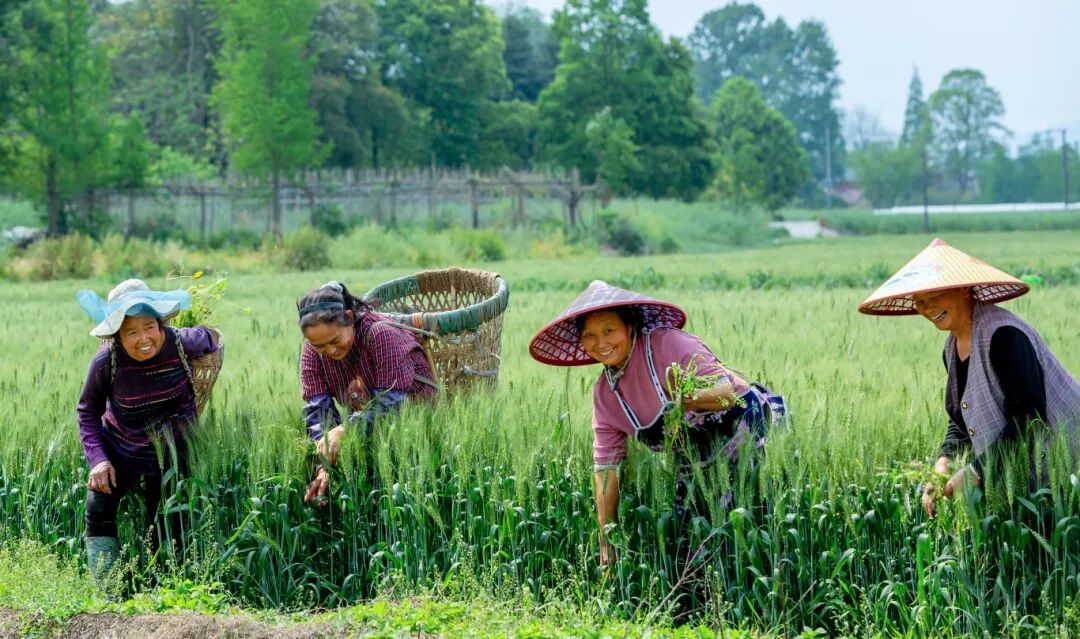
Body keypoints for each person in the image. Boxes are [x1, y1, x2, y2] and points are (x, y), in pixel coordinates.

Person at [529, 280, 787, 565]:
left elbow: (726, 393)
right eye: (589, 335)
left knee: (751, 525)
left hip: (745, 434)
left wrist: (690, 399)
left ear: (630, 327)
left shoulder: (668, 345)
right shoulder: (606, 396)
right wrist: (606, 542)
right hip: (694, 462)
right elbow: (606, 470)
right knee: (691, 546)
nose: (600, 342)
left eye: (609, 330)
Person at [858, 238, 1079, 517]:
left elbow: (1029, 418)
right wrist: (944, 462)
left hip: (1068, 468)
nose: (927, 308)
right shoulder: (951, 348)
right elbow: (962, 420)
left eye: (935, 297)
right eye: (920, 302)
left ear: (963, 289)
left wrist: (976, 471)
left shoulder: (1004, 335)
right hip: (1025, 482)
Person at [76, 279, 221, 577]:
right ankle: (107, 589)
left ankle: (165, 587)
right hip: (120, 450)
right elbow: (87, 411)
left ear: (160, 324)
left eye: (149, 327)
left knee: (166, 524)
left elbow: (210, 337)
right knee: (97, 510)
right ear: (117, 335)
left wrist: (203, 337)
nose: (143, 338)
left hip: (171, 456)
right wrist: (98, 460)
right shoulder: (106, 360)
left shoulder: (179, 342)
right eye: (131, 331)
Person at [297, 281, 438, 506]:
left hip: (419, 432)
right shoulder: (312, 352)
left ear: (349, 318)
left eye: (335, 340)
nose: (329, 351)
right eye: (320, 346)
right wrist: (324, 464)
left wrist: (345, 430)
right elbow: (317, 411)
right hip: (371, 434)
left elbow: (392, 405)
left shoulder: (382, 334)